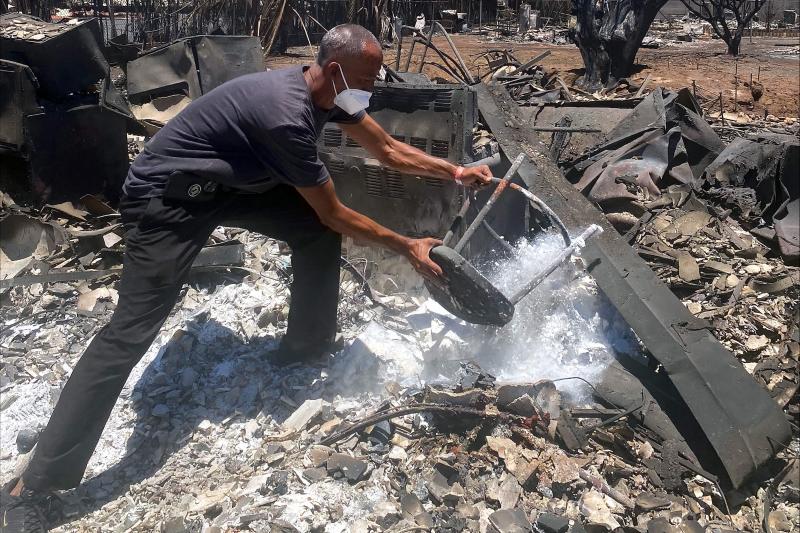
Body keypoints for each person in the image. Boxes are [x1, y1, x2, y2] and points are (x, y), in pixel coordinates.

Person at [0, 23, 491, 532]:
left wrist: (454, 172)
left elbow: (387, 149)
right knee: (129, 332)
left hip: (223, 184)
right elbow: (337, 215)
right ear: (338, 70)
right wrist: (408, 246)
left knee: (309, 231)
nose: (377, 81)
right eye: (371, 73)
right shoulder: (286, 117)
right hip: (165, 199)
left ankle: (307, 345)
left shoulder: (329, 92)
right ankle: (32, 488)